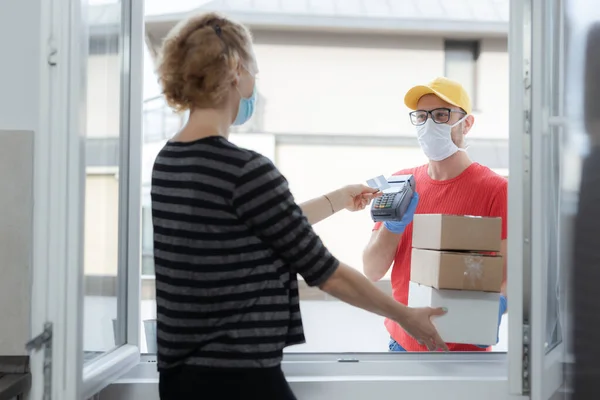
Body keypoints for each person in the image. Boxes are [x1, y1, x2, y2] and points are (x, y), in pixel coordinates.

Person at [152, 12, 448, 400]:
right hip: (238, 377)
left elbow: (252, 228)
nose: (254, 83)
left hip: (179, 378)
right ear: (236, 71)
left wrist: (337, 200)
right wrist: (406, 316)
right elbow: (328, 274)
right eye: (254, 70)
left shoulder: (168, 161)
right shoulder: (247, 170)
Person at [363, 77, 508, 353]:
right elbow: (372, 269)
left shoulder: (496, 190)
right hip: (403, 345)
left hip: (465, 350)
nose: (429, 125)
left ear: (466, 124)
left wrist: (498, 306)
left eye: (441, 115)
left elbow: (510, 274)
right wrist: (391, 229)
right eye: (421, 116)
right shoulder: (401, 182)